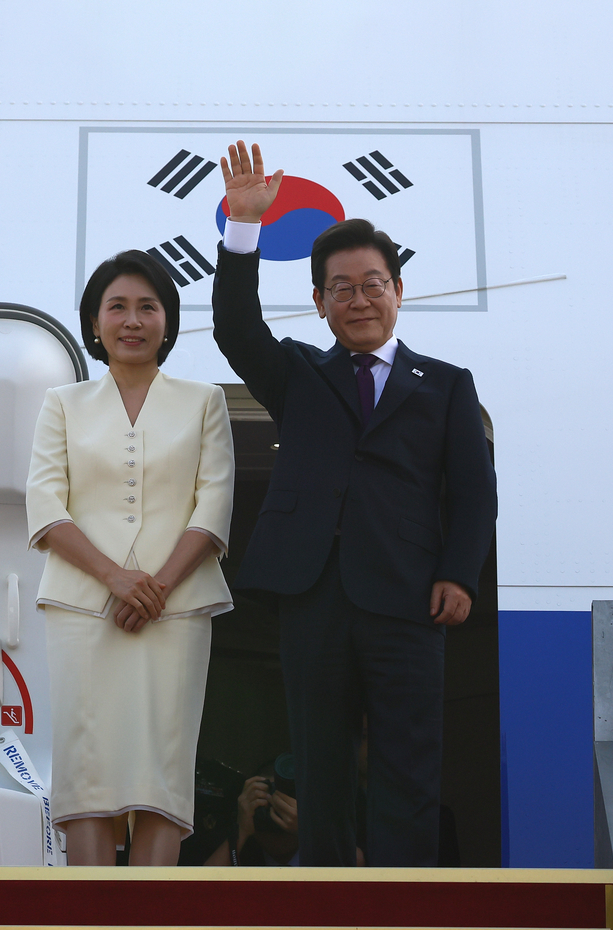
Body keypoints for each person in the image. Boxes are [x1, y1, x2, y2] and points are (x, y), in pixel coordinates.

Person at [211, 141, 497, 867]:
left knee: (408, 760)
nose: (359, 299)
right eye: (342, 288)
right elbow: (236, 330)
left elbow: (473, 492)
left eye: (373, 283)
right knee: (320, 759)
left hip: (410, 598)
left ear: (398, 291)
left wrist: (459, 575)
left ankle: (406, 911)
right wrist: (245, 227)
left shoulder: (447, 385)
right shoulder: (300, 375)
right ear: (319, 302)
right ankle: (327, 900)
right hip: (315, 591)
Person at [26, 249, 236, 866]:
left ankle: (149, 928)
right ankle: (88, 928)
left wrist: (158, 586)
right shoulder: (63, 403)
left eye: (148, 306)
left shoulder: (205, 401)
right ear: (94, 321)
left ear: (167, 320)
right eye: (117, 306)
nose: (132, 319)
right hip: (81, 606)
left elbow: (213, 504)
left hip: (178, 608)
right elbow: (45, 502)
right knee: (86, 765)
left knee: (161, 770)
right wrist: (115, 577)